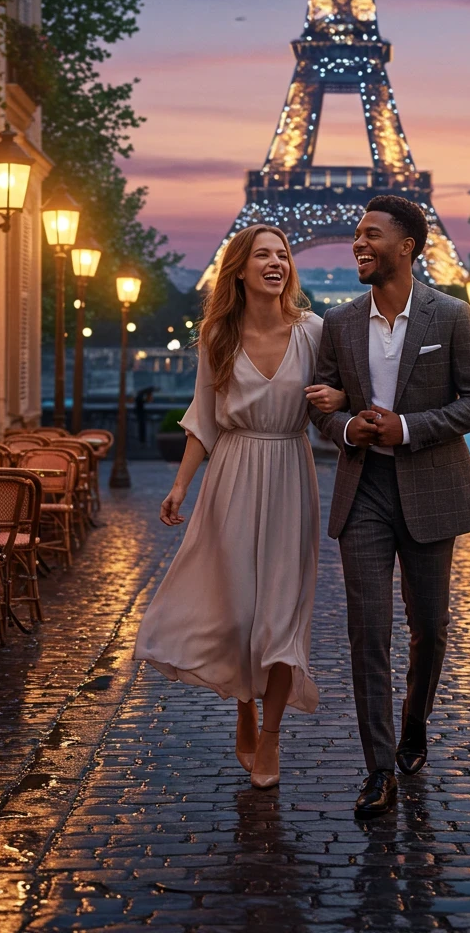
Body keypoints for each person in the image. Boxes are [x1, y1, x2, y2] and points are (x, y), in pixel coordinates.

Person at [133, 225, 347, 790]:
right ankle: (244, 707)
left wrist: (341, 398)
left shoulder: (315, 332)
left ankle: (271, 735)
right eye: (263, 255)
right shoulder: (217, 337)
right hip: (231, 476)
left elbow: (344, 392)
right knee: (236, 614)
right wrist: (181, 485)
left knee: (280, 616)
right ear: (240, 268)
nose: (275, 263)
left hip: (288, 473)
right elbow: (203, 417)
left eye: (283, 254)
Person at [309, 196, 470, 820]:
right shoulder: (339, 321)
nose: (358, 244)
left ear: (407, 247)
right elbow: (321, 408)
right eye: (356, 235)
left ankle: (415, 721)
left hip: (429, 490)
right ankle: (379, 768)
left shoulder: (451, 316)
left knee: (432, 628)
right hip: (363, 493)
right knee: (368, 634)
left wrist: (408, 427)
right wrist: (346, 429)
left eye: (371, 235)